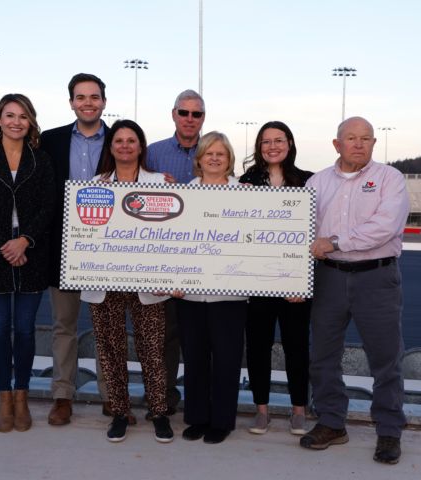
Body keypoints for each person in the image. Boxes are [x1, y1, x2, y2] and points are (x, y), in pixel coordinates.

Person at [299, 116, 409, 465]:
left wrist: (334, 242)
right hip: (329, 277)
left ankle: (389, 429)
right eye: (351, 138)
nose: (359, 144)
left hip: (376, 279)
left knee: (385, 358)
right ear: (337, 144)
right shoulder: (316, 183)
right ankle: (332, 422)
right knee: (323, 356)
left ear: (374, 144)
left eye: (366, 138)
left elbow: (384, 228)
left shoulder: (390, 179)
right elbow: (300, 229)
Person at [0, 93, 55, 433]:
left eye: (23, 116)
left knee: (26, 330)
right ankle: (4, 398)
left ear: (30, 121)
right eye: (10, 115)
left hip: (31, 251)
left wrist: (24, 240)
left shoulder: (41, 160)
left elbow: (48, 206)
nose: (16, 121)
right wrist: (4, 244)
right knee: (1, 329)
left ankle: (22, 396)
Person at [80, 119, 173, 443]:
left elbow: (173, 232)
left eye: (130, 140)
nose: (124, 145)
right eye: (118, 140)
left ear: (140, 147)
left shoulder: (161, 182)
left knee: (152, 350)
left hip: (148, 283)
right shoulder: (94, 185)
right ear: (111, 147)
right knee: (110, 350)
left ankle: (159, 411)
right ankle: (120, 412)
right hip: (105, 283)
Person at [40, 73, 112, 426]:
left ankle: (111, 395)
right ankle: (62, 396)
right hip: (62, 249)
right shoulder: (49, 140)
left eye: (94, 96)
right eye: (81, 97)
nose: (88, 102)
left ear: (103, 101)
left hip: (106, 253)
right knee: (63, 326)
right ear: (71, 102)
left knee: (106, 327)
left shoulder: (121, 139)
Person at [173, 131, 248, 444]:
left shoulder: (246, 194)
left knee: (228, 358)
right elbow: (172, 242)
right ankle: (197, 417)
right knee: (195, 356)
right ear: (199, 159)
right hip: (189, 292)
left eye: (221, 154)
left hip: (230, 293)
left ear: (229, 160)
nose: (215, 158)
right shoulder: (183, 194)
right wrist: (173, 281)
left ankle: (222, 421)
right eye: (209, 153)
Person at [239, 121, 313, 436]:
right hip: (257, 281)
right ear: (259, 146)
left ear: (290, 143)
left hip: (294, 281)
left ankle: (299, 409)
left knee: (297, 345)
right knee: (257, 346)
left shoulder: (309, 181)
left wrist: (303, 281)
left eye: (278, 140)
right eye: (266, 141)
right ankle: (261, 410)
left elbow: (314, 233)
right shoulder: (246, 181)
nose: (272, 146)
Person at [146, 89, 206, 416]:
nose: (189, 119)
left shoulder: (215, 151)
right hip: (164, 259)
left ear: (203, 119)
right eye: (184, 113)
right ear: (173, 114)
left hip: (203, 260)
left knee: (199, 339)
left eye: (196, 114)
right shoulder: (153, 153)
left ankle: (200, 403)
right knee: (165, 336)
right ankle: (164, 399)